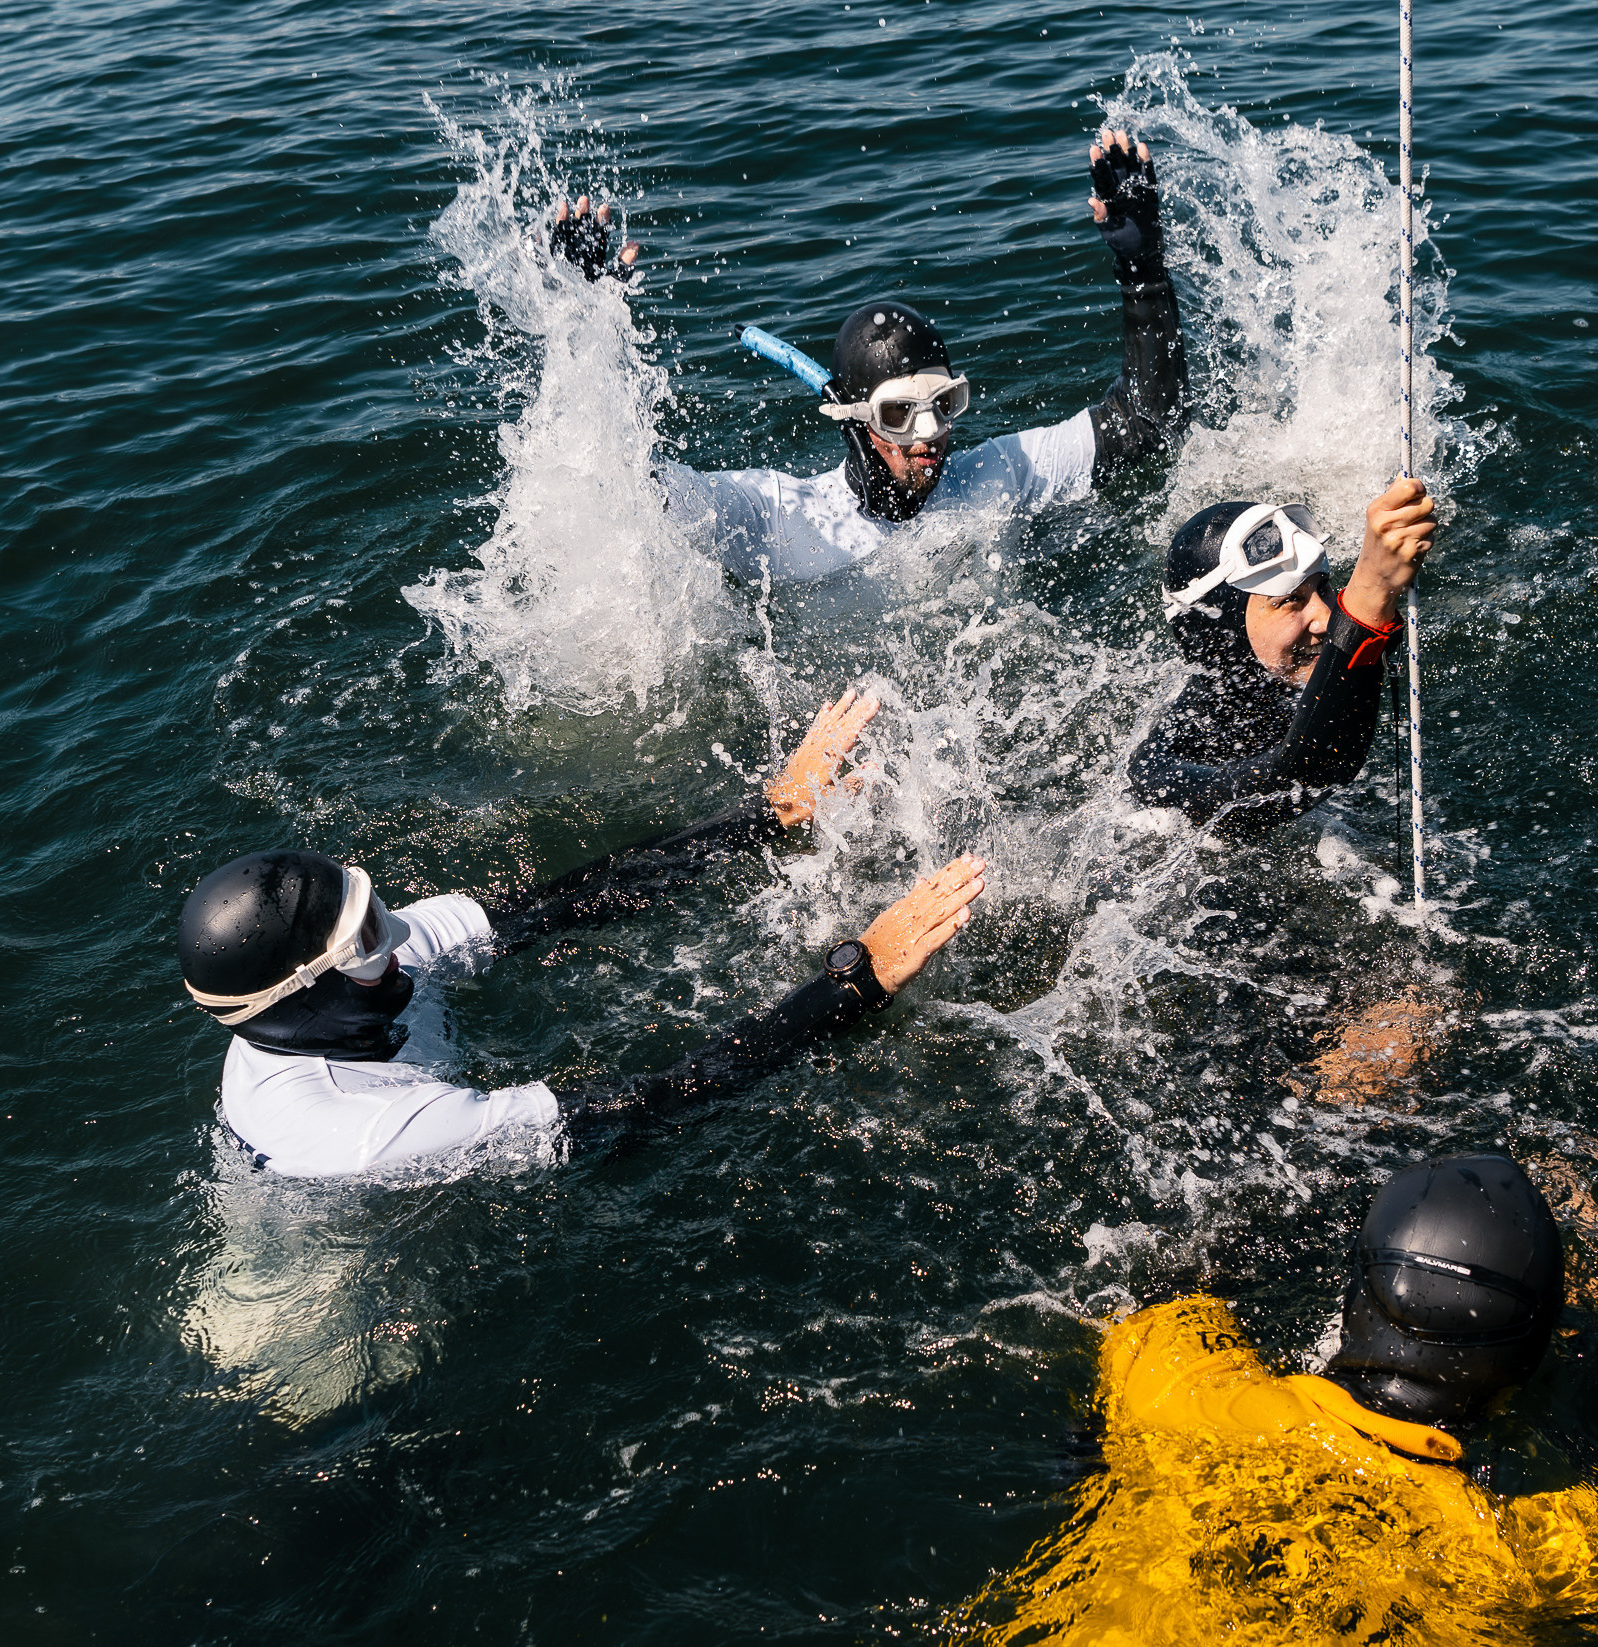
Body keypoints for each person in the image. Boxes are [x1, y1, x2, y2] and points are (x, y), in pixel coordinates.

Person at [176, 690, 988, 1177]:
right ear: (300, 997)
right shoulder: (367, 1134)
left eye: (375, 913)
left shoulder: (365, 965)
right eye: (362, 943)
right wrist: (856, 976)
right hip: (327, 1334)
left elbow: (566, 903)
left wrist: (767, 815)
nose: (393, 941)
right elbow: (657, 1102)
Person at [957, 1158, 1598, 1645]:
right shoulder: (1538, 1553)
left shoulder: (1181, 1390)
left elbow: (1169, 1291)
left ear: (1356, 1298)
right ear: (1528, 1360)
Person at [555, 132, 1189, 584]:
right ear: (856, 418)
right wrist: (588, 327)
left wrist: (1143, 270)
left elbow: (1146, 422)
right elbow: (626, 492)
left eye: (944, 403)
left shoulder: (995, 478)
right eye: (901, 414)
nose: (932, 434)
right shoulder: (778, 518)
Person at [1127, 475, 1439, 838]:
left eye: (1322, 588)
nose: (1325, 619)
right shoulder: (1160, 771)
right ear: (1222, 634)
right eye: (1290, 600)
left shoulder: (1276, 682)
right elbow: (1311, 770)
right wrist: (1371, 590)